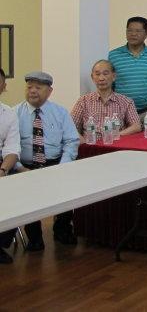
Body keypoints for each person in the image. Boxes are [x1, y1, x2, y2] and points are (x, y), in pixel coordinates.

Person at [15, 72, 80, 250]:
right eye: (29, 87)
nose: (32, 91)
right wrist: (19, 167)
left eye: (38, 87)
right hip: (25, 167)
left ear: (49, 91)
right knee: (29, 202)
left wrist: (63, 166)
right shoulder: (15, 113)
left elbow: (71, 141)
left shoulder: (60, 112)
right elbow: (9, 146)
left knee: (66, 194)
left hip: (55, 163)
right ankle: (34, 237)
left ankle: (62, 230)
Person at [108, 16, 147, 115]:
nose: (133, 34)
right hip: (121, 112)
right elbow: (110, 85)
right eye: (129, 30)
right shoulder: (113, 56)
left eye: (138, 31)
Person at [71, 60, 141, 137]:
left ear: (114, 76)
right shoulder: (83, 101)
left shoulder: (126, 101)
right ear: (92, 77)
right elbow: (70, 127)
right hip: (90, 143)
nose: (101, 78)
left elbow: (136, 126)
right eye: (97, 74)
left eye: (105, 74)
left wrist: (116, 135)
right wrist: (83, 141)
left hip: (116, 143)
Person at [0, 68, 20, 263]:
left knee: (17, 189)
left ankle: (0, 243)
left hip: (1, 164)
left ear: (3, 87)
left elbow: (12, 149)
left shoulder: (9, 114)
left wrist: (3, 170)